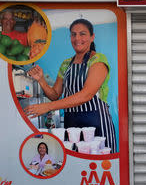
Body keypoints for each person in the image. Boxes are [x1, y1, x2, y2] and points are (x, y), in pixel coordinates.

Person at [24, 19, 117, 153]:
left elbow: (86, 94)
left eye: (82, 34)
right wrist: (41, 80)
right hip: (72, 124)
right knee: (75, 163)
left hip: (96, 122)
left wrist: (47, 107)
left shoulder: (98, 60)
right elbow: (55, 95)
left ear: (92, 37)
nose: (77, 38)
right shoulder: (66, 64)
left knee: (98, 162)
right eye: (73, 34)